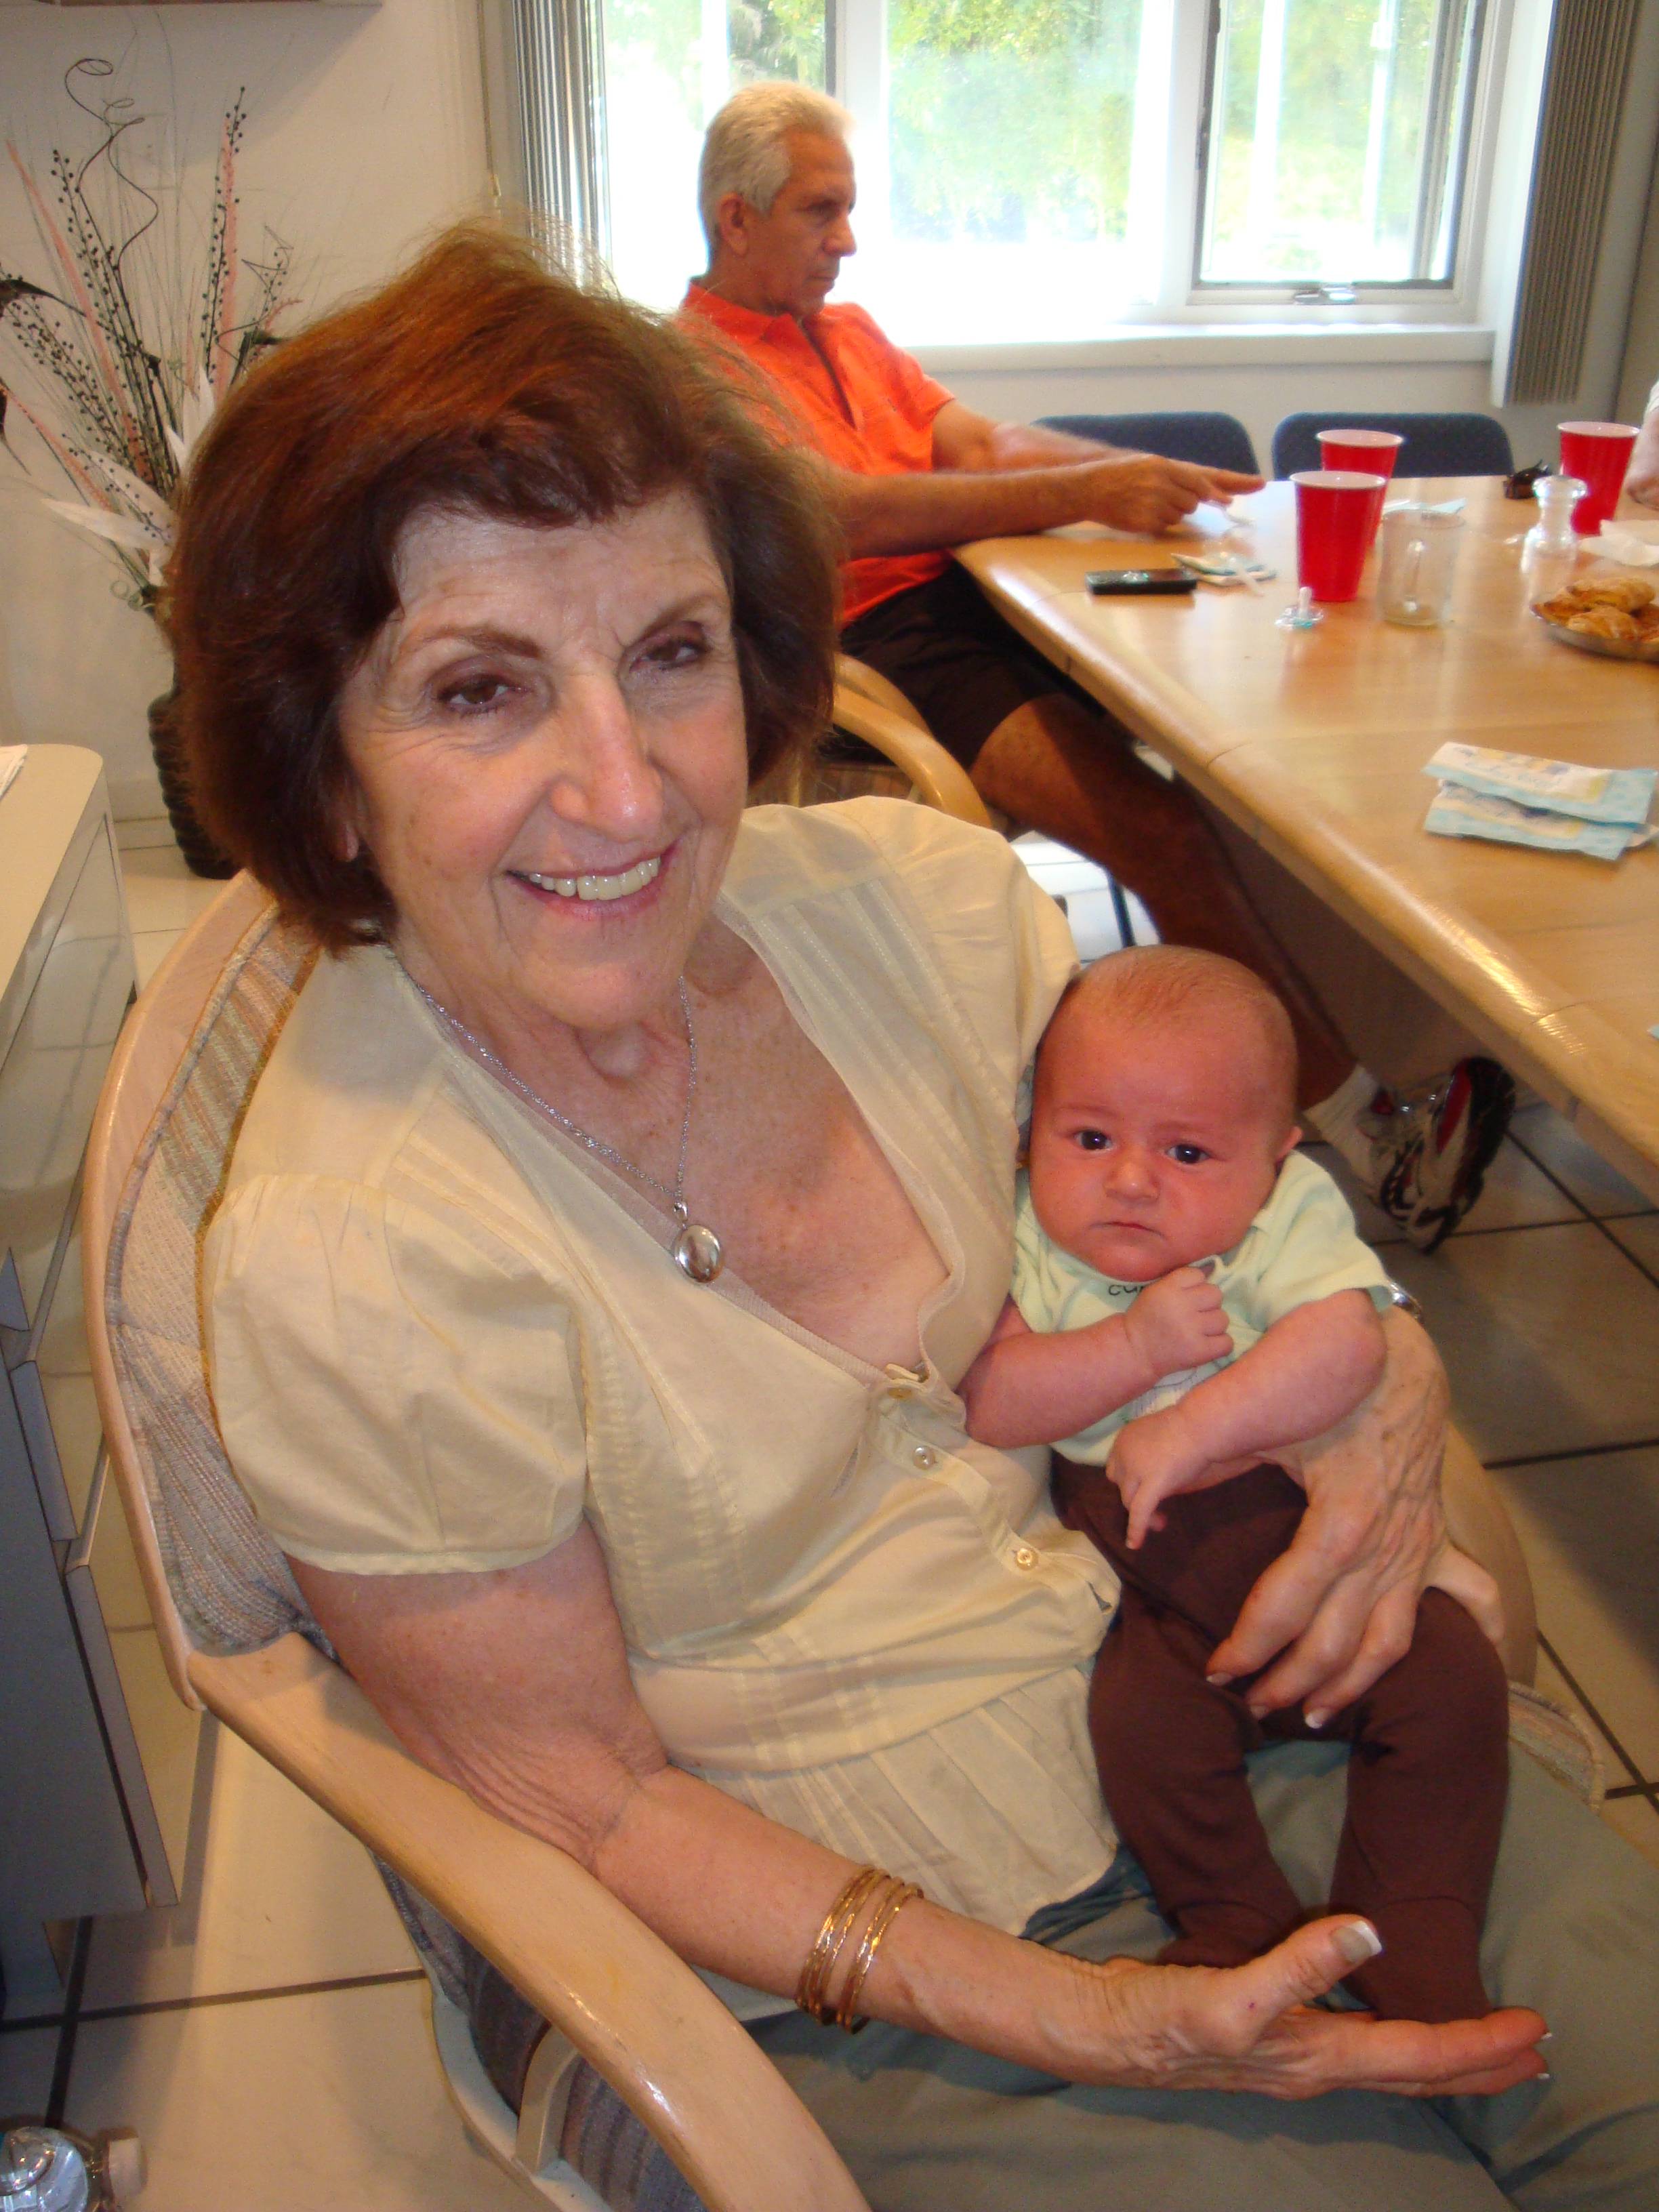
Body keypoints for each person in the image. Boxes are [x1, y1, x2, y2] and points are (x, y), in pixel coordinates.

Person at [167, 222, 1659, 2211]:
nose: (626, 791)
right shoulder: (354, 1253)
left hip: (1215, 1675)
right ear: (328, 771)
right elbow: (581, 1798)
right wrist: (1091, 2014)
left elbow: (1230, 1200)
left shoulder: (934, 919)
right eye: (479, 687)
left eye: (672, 654)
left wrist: (1385, 1379)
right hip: (852, 1952)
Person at [680, 81, 1516, 1250]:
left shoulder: (851, 332)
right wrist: (1083, 490)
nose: (848, 240)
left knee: (1236, 777)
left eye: (850, 209)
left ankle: (1303, 1061)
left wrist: (1142, 479)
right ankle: (1379, 1132)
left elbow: (989, 445)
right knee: (1163, 831)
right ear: (736, 218)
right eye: (823, 212)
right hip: (881, 648)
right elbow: (844, 513)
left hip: (979, 601)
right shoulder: (695, 367)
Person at [961, 948, 1510, 2024]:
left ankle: (1419, 1929)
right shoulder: (1027, 1230)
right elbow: (993, 1398)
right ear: (1032, 1134)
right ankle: (1230, 1920)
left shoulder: (1281, 1220)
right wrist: (1131, 1348)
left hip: (1296, 1526)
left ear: (1275, 1156)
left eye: (1188, 1151)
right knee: (1138, 1732)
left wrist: (1195, 1424)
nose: (1131, 1180)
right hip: (1159, 1601)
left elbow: (1346, 1345)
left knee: (1453, 1685)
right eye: (1090, 1138)